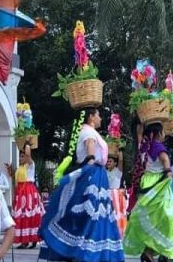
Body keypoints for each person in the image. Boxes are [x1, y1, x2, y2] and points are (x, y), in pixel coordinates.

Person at [39, 107, 124, 262]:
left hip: (97, 175)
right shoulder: (88, 133)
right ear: (91, 117)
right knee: (92, 215)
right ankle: (84, 253)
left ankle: (84, 252)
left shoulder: (88, 131)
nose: (100, 118)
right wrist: (89, 169)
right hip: (94, 176)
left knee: (93, 215)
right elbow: (90, 155)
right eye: (98, 115)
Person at [124, 123, 173, 262]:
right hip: (159, 184)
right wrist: (169, 174)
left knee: (153, 218)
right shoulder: (159, 147)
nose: (165, 135)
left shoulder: (145, 145)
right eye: (163, 132)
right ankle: (166, 251)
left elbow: (139, 140)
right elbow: (165, 161)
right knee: (167, 218)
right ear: (158, 134)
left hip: (147, 182)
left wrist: (139, 129)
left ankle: (149, 252)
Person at [13, 143, 44, 249]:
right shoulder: (19, 168)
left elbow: (28, 155)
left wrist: (26, 143)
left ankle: (33, 239)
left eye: (23, 156)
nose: (21, 158)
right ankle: (24, 241)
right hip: (21, 193)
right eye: (20, 156)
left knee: (28, 215)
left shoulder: (30, 165)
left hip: (28, 192)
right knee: (21, 216)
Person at [106, 150, 128, 238]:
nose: (108, 162)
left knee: (116, 215)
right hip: (107, 194)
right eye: (107, 161)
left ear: (115, 163)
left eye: (110, 161)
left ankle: (117, 233)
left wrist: (120, 154)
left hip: (116, 195)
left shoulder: (118, 172)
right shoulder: (105, 172)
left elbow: (121, 161)